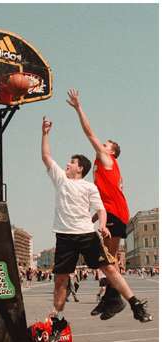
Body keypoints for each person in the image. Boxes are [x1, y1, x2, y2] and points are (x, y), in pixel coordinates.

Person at [41, 116, 152, 342]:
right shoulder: (64, 179)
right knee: (61, 280)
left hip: (92, 229)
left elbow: (101, 209)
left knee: (110, 266)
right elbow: (46, 156)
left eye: (71, 162)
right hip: (66, 235)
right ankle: (60, 318)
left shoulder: (96, 176)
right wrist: (45, 133)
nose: (67, 164)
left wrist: (102, 226)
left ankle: (132, 303)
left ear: (79, 168)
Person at [67, 88, 130, 320]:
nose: (101, 145)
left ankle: (115, 300)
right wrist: (93, 217)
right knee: (107, 260)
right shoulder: (101, 168)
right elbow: (104, 199)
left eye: (106, 144)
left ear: (111, 151)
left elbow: (89, 132)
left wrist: (78, 108)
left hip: (116, 214)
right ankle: (111, 299)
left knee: (105, 259)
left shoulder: (106, 159)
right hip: (114, 213)